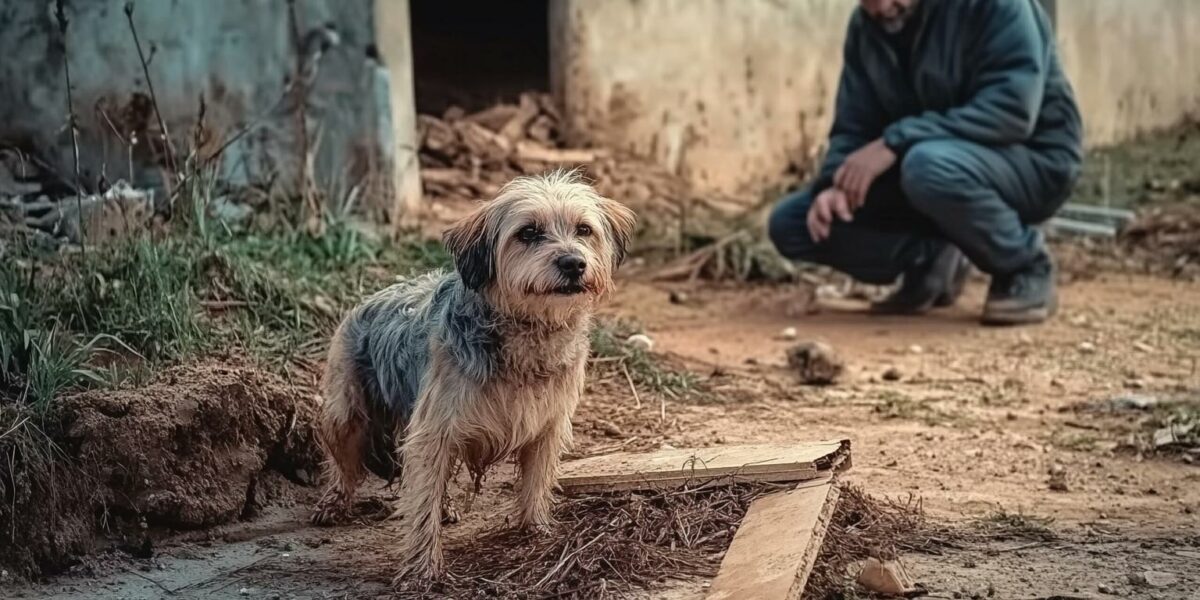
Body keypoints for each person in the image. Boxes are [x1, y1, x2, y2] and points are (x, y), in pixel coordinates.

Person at [768, 0, 1083, 325]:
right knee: (794, 223)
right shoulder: (866, 26)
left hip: (1033, 161)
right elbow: (854, 125)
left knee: (928, 167)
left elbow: (1012, 111)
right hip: (926, 167)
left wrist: (896, 141)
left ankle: (1025, 266)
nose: (882, 8)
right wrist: (836, 183)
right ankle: (929, 258)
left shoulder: (997, 6)